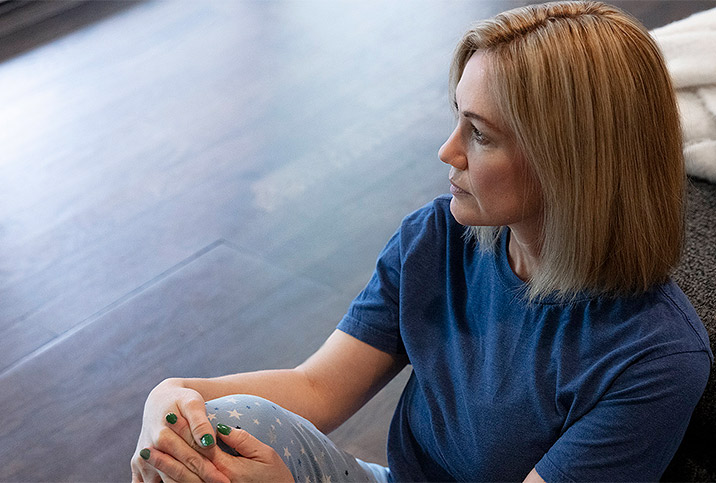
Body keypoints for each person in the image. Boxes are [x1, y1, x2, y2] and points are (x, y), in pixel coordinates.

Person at [131, 1, 713, 481]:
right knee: (215, 433)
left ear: (570, 164)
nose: (447, 150)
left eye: (479, 135)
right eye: (457, 117)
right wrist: (176, 395)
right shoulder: (438, 239)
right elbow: (316, 387)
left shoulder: (654, 359)